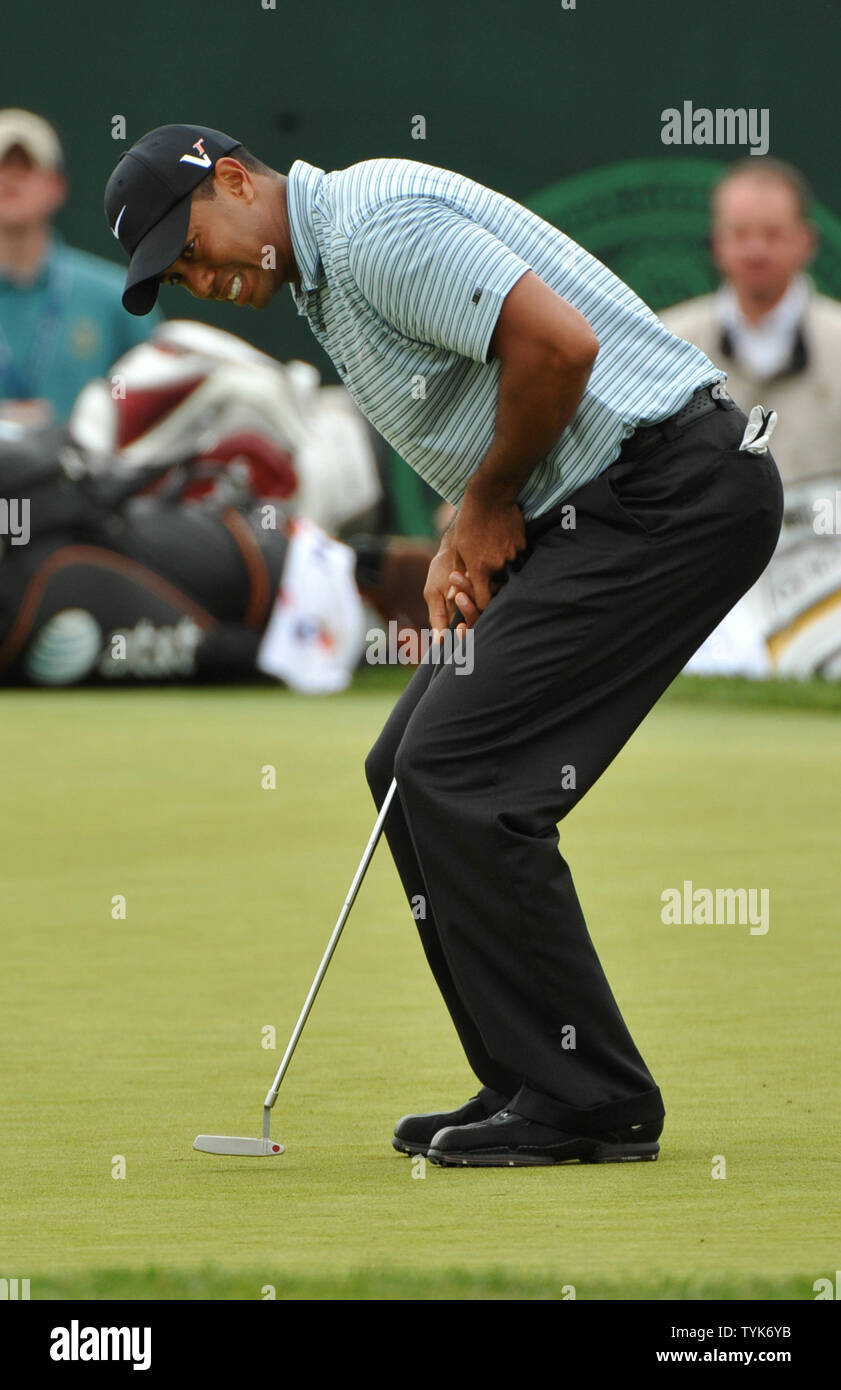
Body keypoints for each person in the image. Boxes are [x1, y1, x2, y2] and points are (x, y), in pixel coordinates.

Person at [104, 124, 784, 1167]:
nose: (198, 278)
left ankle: (589, 1098)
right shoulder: (322, 274)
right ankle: (526, 1074)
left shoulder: (370, 227)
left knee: (461, 767)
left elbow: (558, 348)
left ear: (234, 180)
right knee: (405, 765)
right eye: (177, 273)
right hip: (596, 503)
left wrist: (487, 504)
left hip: (670, 490)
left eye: (191, 246)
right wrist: (474, 529)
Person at [661, 158, 841, 486]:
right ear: (717, 242)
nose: (756, 250)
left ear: (807, 241)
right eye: (740, 233)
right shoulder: (669, 344)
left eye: (773, 234)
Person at [0, 109, 159, 427]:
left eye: (26, 167)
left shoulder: (115, 297)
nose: (10, 179)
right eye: (1, 166)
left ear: (56, 187)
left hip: (82, 474)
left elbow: (154, 402)